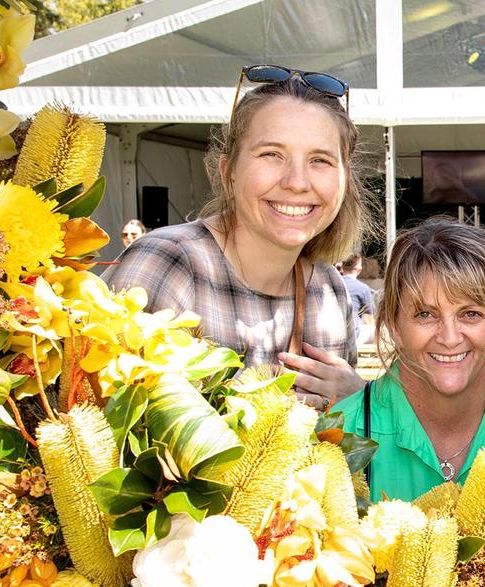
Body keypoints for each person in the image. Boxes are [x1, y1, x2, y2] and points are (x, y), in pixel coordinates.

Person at [106, 68, 375, 411]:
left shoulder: (326, 289)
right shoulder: (167, 266)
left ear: (344, 181)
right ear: (228, 171)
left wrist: (359, 404)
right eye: (271, 154)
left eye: (320, 160)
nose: (296, 182)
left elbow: (337, 451)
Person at [331, 218, 485, 502]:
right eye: (425, 314)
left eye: (471, 314)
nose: (450, 337)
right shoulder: (336, 438)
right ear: (394, 325)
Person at [338, 253, 376, 343]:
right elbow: (370, 312)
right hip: (353, 335)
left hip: (332, 332)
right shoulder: (362, 288)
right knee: (377, 330)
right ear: (358, 268)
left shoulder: (332, 283)